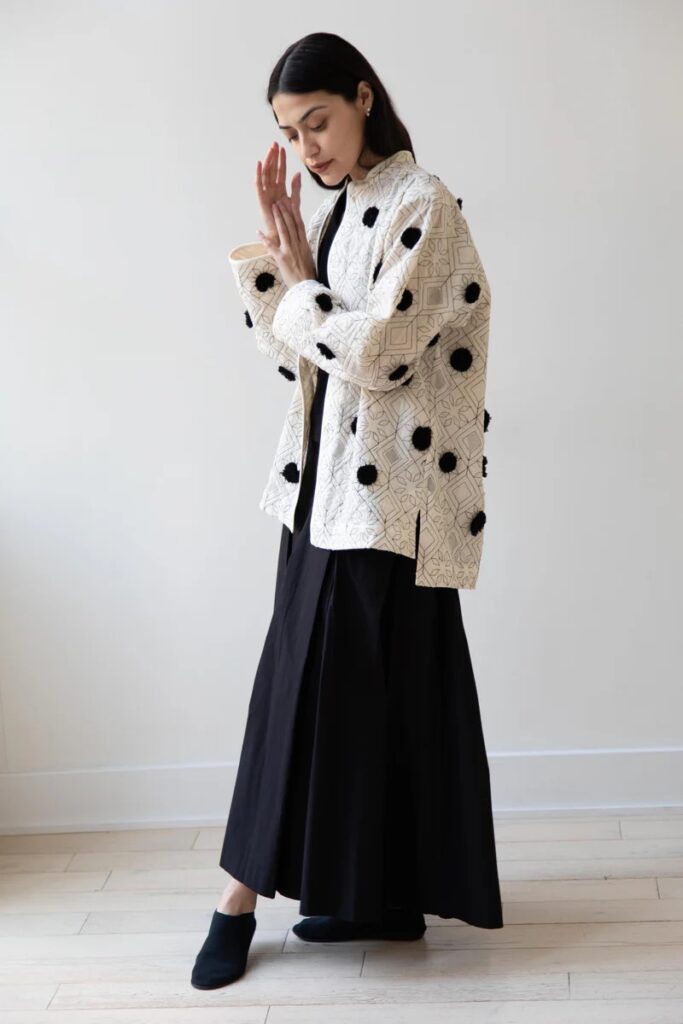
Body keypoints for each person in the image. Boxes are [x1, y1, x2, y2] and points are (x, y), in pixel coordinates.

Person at [191, 31, 502, 991]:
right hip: (321, 495)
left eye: (316, 121)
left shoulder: (423, 205)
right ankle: (381, 901)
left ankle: (234, 904)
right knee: (371, 704)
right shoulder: (344, 210)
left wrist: (302, 288)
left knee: (301, 697)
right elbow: (305, 356)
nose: (306, 148)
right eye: (289, 133)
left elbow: (381, 354)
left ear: (364, 98)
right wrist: (283, 267)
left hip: (388, 504)